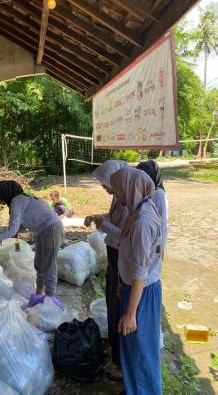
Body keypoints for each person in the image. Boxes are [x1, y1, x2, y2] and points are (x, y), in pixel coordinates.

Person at [110, 167, 163, 395]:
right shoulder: (137, 211)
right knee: (132, 348)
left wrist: (131, 313)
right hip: (134, 289)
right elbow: (131, 258)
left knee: (141, 350)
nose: (116, 195)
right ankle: (134, 389)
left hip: (141, 292)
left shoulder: (142, 222)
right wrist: (123, 284)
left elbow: (141, 271)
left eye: (118, 190)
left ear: (129, 188)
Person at [0, 180, 64, 302]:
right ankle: (39, 296)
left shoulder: (17, 201)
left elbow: (13, 229)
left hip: (51, 229)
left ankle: (50, 301)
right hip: (43, 230)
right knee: (40, 264)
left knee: (49, 266)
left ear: (5, 193)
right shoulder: (20, 200)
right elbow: (19, 226)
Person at [84, 160, 129, 380]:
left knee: (120, 305)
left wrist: (102, 225)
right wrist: (98, 217)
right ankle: (114, 345)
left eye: (105, 184)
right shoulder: (117, 197)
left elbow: (123, 234)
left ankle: (121, 361)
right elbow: (113, 219)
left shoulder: (130, 200)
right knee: (112, 301)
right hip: (113, 252)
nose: (104, 188)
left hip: (122, 255)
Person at [137, 160, 168, 252]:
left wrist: (161, 248)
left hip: (154, 239)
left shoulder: (158, 193)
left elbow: (163, 221)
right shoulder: (140, 190)